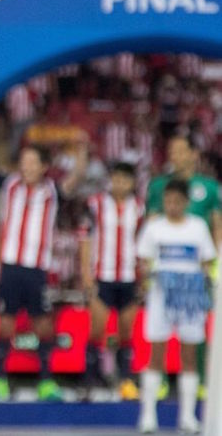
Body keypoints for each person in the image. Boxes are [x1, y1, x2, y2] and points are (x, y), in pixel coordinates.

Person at [0, 141, 85, 403]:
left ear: (43, 167)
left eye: (32, 162)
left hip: (37, 268)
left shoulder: (52, 191)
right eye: (23, 161)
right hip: (10, 266)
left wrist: (82, 154)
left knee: (42, 323)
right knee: (5, 322)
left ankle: (46, 381)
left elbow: (75, 179)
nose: (26, 167)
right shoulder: (9, 185)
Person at [144, 134, 221, 400]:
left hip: (198, 268)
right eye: (171, 151)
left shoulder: (209, 187)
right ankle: (163, 382)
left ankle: (200, 381)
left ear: (193, 154)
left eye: (180, 150)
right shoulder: (159, 186)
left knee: (196, 327)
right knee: (160, 330)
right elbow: (152, 222)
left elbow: (217, 225)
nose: (174, 156)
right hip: (166, 271)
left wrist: (215, 264)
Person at [135, 179, 215, 433]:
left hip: (189, 299)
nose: (172, 206)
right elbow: (144, 260)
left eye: (177, 202)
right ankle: (148, 416)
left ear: (186, 203)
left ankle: (188, 417)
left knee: (189, 355)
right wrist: (150, 278)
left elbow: (207, 261)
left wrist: (202, 287)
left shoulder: (198, 227)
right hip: (161, 296)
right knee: (156, 353)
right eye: (168, 201)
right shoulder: (154, 227)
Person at [79, 161, 144, 400]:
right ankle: (89, 379)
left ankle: (125, 380)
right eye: (116, 178)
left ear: (132, 183)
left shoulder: (139, 208)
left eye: (125, 179)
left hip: (129, 277)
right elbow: (85, 239)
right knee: (97, 329)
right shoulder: (95, 204)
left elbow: (143, 242)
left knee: (126, 330)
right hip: (103, 276)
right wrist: (86, 274)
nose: (120, 183)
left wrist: (143, 276)